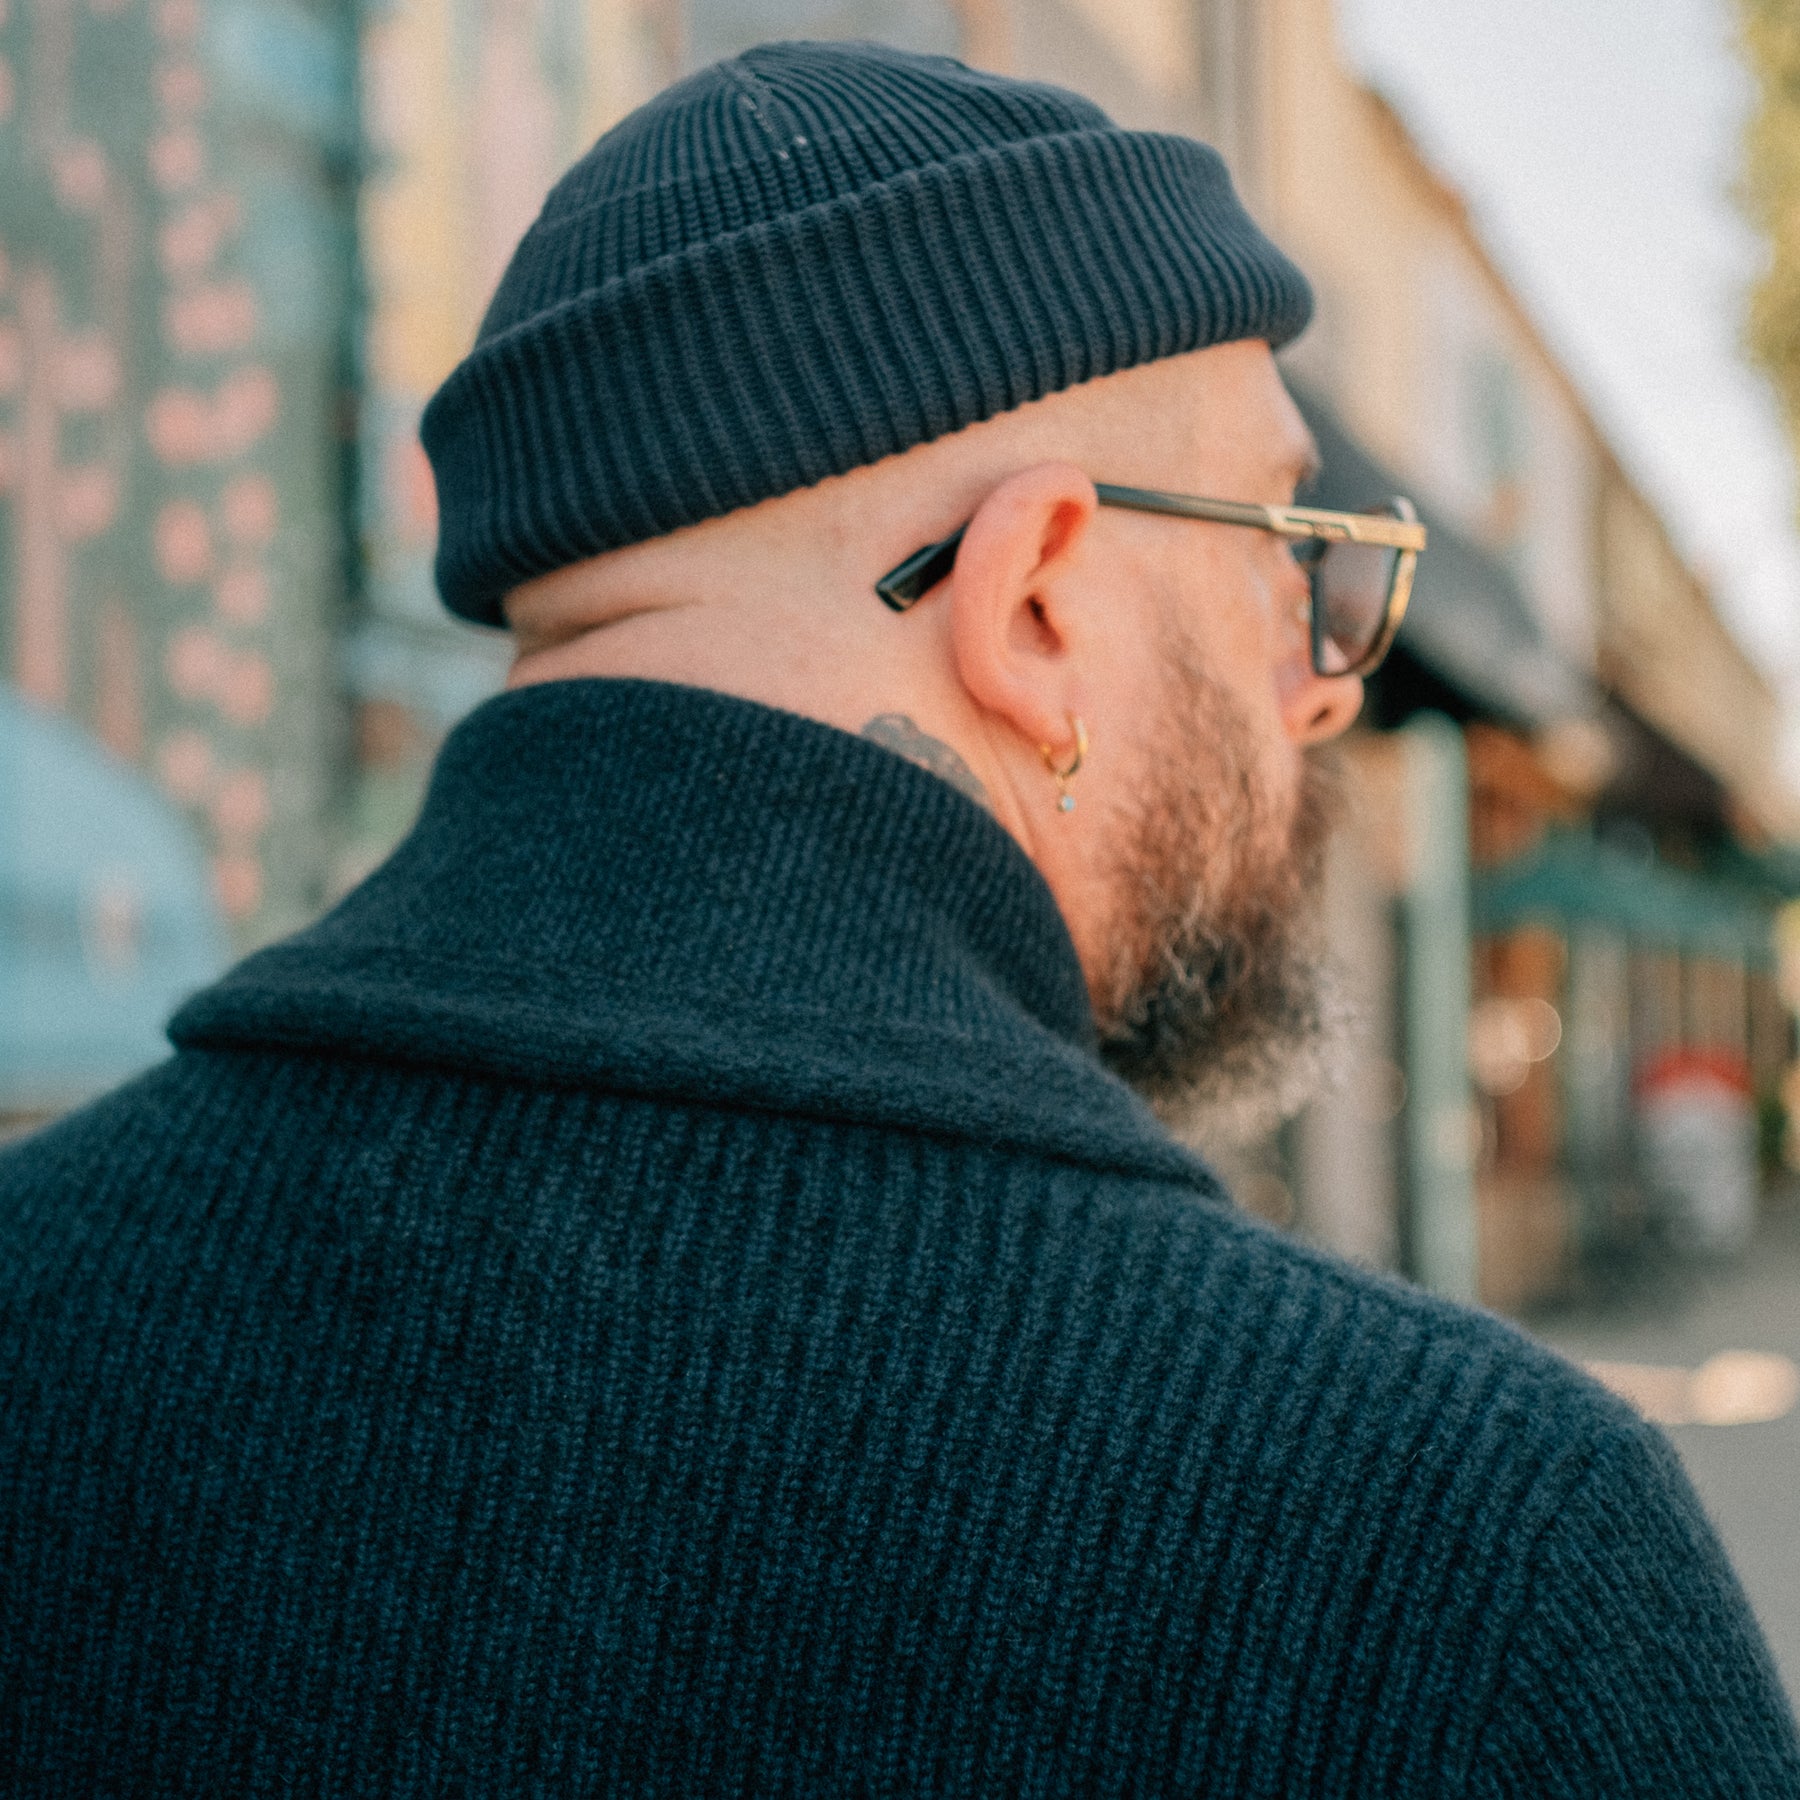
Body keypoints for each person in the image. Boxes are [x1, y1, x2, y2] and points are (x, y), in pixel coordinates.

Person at [1, 40, 1795, 1798]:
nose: (1323, 683)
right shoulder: (1460, 1560)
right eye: (1286, 541)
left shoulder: (40, 1307)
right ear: (1025, 608)